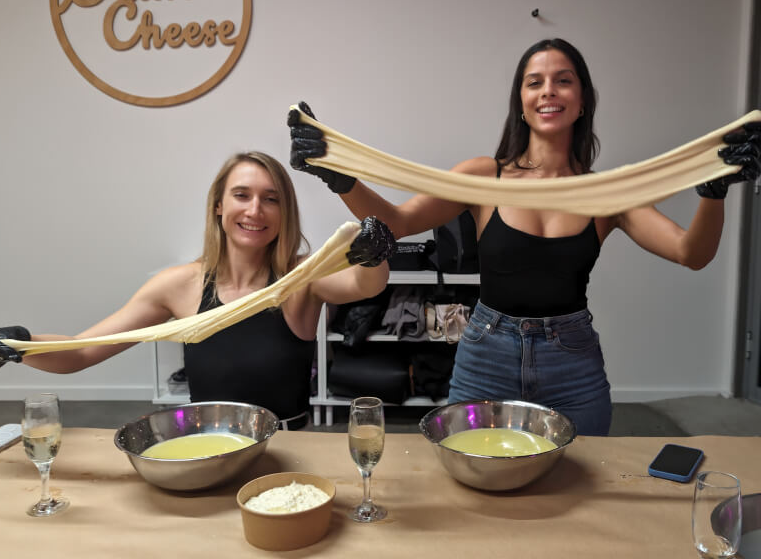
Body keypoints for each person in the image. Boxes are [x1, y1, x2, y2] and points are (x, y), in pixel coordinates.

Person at [288, 38, 761, 436]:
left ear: (581, 100)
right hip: (484, 358)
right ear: (521, 100)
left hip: (572, 367)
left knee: (581, 490)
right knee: (470, 484)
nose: (548, 91)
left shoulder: (609, 193)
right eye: (534, 82)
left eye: (563, 80)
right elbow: (396, 221)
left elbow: (690, 252)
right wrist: (338, 175)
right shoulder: (481, 178)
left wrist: (712, 193)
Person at [0, 151, 395, 430]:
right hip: (205, 451)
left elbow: (365, 283)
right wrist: (18, 345)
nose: (254, 210)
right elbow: (83, 351)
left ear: (285, 212)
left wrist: (374, 254)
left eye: (271, 199)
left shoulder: (302, 277)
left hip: (290, 454)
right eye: (241, 195)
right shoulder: (178, 285)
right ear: (219, 206)